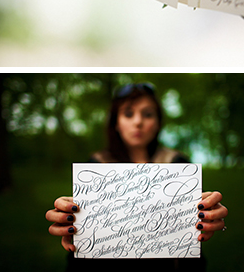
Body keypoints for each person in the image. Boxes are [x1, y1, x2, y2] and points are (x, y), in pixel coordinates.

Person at [45, 83, 229, 271]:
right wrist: (71, 219)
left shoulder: (178, 164)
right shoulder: (96, 165)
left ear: (158, 123)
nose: (138, 122)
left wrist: (210, 216)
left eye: (148, 114)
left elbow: (195, 224)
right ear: (116, 123)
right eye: (128, 114)